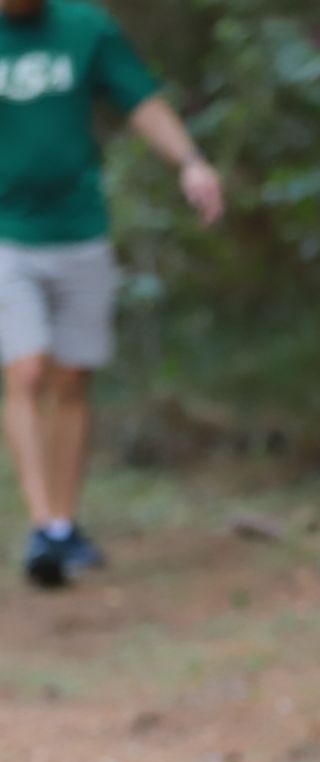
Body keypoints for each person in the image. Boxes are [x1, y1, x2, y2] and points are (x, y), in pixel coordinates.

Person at [0, 0, 223, 587]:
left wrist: (190, 162)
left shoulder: (84, 28)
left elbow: (140, 101)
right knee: (24, 371)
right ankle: (42, 526)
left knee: (71, 379)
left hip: (80, 231)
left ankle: (61, 526)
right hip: (6, 235)